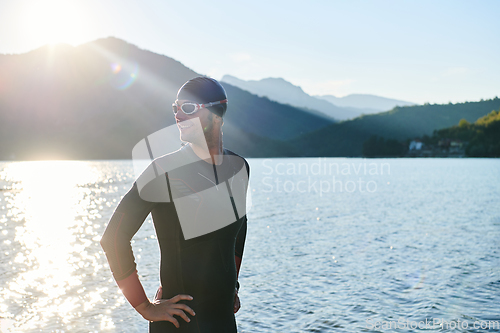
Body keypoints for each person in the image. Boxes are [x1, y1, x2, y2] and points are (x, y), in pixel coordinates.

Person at [100, 77, 250, 332]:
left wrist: (232, 285)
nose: (179, 115)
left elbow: (239, 230)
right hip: (178, 323)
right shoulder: (163, 171)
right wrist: (145, 307)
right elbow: (113, 238)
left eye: (188, 108)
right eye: (175, 108)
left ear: (216, 112)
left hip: (223, 321)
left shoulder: (239, 168)